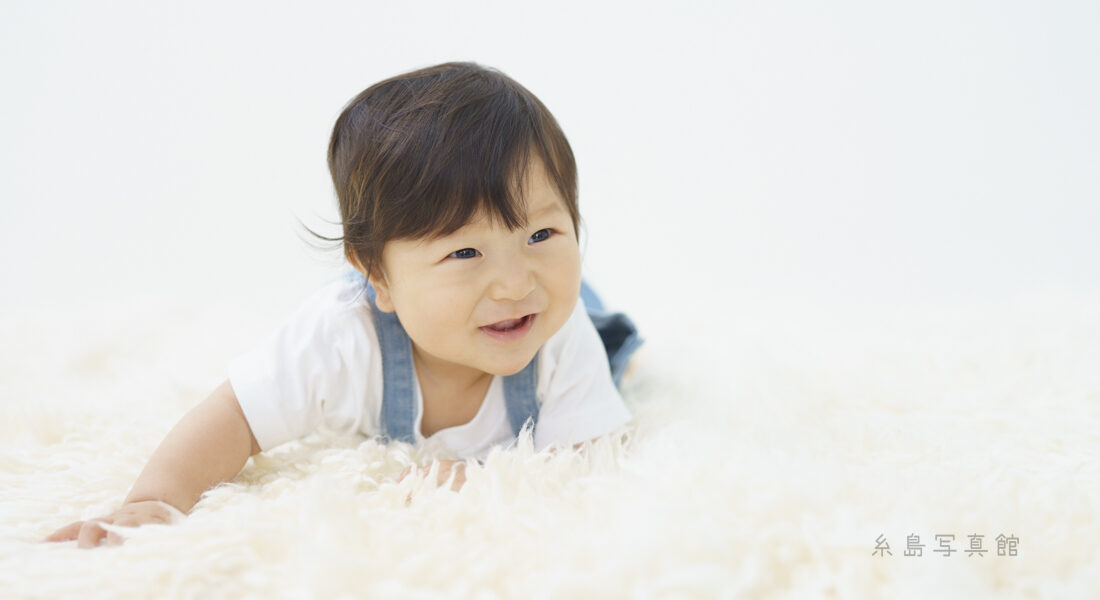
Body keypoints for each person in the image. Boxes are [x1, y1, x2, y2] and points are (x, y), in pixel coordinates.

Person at [44, 62, 642, 549]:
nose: (514, 282)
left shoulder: (557, 337)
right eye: (464, 252)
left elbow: (581, 472)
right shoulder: (341, 335)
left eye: (542, 235)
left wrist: (490, 484)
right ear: (376, 273)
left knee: (602, 338)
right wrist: (155, 499)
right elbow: (237, 414)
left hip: (567, 322)